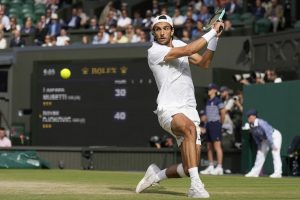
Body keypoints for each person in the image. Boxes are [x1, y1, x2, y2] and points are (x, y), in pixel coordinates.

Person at [136, 14, 224, 198]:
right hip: (168, 110)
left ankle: (155, 176)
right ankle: (195, 186)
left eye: (165, 28)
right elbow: (189, 49)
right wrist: (212, 31)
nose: (162, 32)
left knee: (188, 166)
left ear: (172, 31)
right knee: (190, 129)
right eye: (158, 29)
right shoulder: (154, 52)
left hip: (189, 109)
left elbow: (204, 62)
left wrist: (214, 39)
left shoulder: (178, 44)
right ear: (153, 32)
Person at [245, 109, 282, 178]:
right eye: (247, 117)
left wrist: (272, 144)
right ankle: (255, 173)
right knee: (260, 154)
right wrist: (259, 146)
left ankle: (278, 173)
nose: (248, 118)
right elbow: (255, 136)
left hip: (274, 136)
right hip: (265, 139)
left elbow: (268, 133)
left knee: (275, 153)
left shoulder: (261, 123)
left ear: (254, 116)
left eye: (249, 116)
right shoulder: (251, 125)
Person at [200, 83, 225, 175]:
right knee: (209, 146)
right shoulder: (208, 101)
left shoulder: (218, 101)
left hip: (216, 124)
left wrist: (220, 123)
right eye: (208, 89)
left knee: (217, 146)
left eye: (210, 89)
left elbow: (223, 113)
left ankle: (219, 167)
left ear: (214, 90)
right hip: (208, 125)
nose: (209, 91)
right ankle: (210, 166)